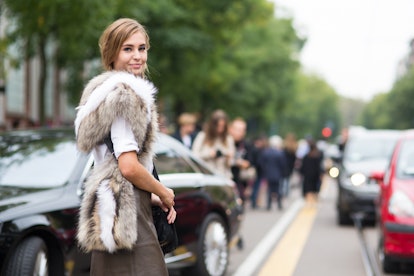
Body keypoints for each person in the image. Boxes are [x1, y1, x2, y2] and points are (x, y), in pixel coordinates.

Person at [74, 18, 176, 276]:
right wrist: (163, 192)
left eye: (142, 48)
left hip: (112, 210)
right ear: (112, 53)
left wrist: (149, 195)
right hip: (127, 217)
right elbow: (128, 167)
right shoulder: (124, 96)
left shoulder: (99, 93)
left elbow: (109, 164)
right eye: (127, 49)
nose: (138, 56)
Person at [192, 109, 235, 179]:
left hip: (224, 177)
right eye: (218, 126)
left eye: (223, 126)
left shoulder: (228, 139)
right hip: (207, 176)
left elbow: (231, 164)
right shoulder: (202, 136)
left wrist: (228, 157)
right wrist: (209, 154)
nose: (220, 129)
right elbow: (194, 156)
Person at [229, 117, 254, 206]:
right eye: (237, 129)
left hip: (240, 182)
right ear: (230, 129)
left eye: (241, 130)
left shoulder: (246, 145)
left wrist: (237, 162)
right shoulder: (226, 142)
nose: (239, 132)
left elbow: (248, 163)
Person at [260, 135, 287, 210]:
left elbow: (262, 163)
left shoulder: (266, 152)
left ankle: (269, 205)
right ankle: (279, 204)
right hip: (277, 174)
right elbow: (283, 164)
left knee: (269, 190)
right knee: (278, 189)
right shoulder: (280, 153)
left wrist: (265, 170)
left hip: (268, 173)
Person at [299, 139, 324, 207]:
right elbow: (319, 167)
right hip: (315, 176)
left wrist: (302, 173)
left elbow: (302, 167)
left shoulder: (306, 157)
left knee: (308, 190)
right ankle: (313, 203)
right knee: (314, 190)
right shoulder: (317, 156)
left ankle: (308, 203)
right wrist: (321, 174)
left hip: (307, 175)